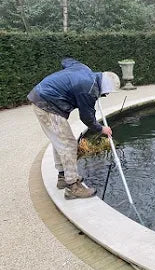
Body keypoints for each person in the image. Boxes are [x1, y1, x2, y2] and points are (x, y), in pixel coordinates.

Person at [28, 58, 120, 199]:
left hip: (42, 98)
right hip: (48, 104)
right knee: (68, 143)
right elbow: (87, 118)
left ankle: (63, 177)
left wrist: (71, 75)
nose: (105, 95)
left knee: (60, 140)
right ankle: (73, 187)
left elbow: (66, 61)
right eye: (107, 93)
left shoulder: (84, 69)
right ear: (105, 87)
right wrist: (101, 129)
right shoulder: (89, 90)